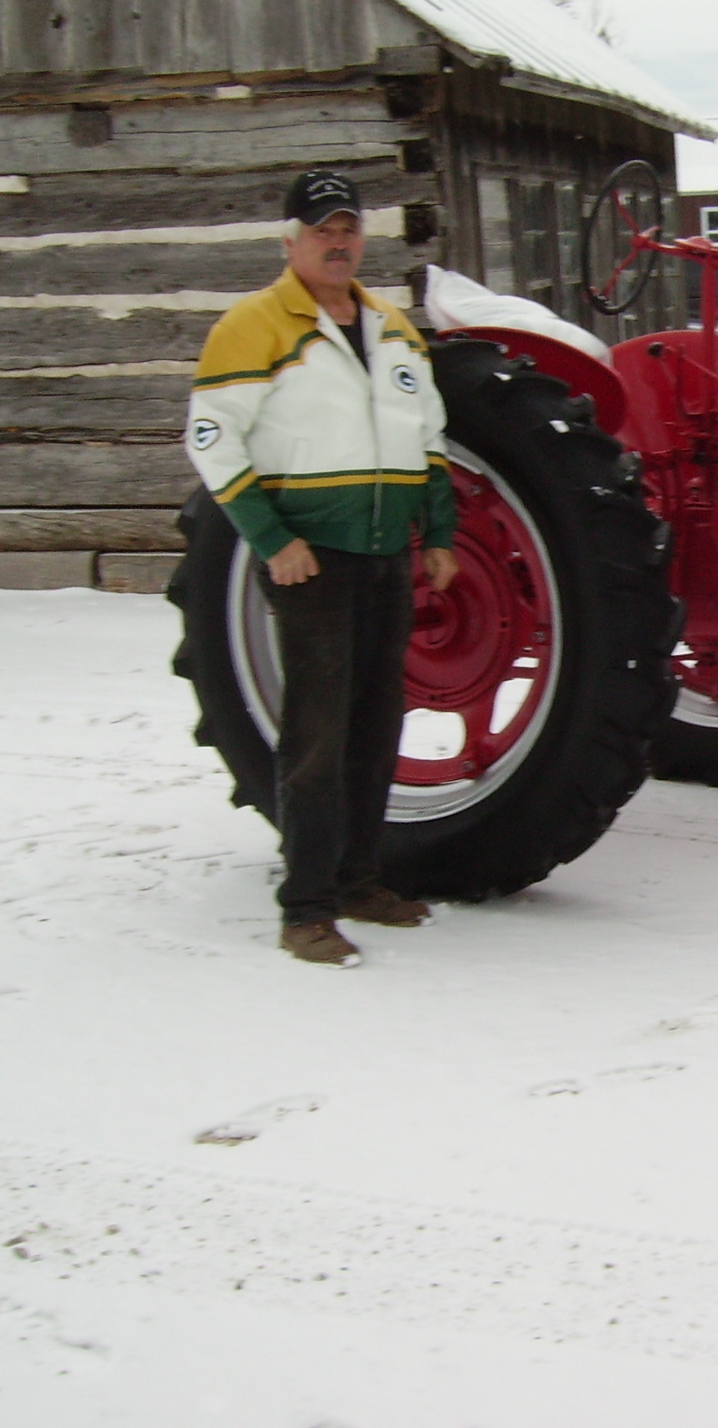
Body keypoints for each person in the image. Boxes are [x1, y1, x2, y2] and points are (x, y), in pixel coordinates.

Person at [184, 170, 460, 966]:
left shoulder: (391, 327)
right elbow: (209, 439)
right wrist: (271, 539)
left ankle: (358, 881)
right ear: (290, 241)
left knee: (376, 731)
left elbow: (428, 434)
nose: (337, 242)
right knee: (315, 738)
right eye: (320, 230)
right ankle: (304, 907)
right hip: (312, 561)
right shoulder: (254, 327)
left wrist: (436, 532)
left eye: (347, 228)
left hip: (383, 554)